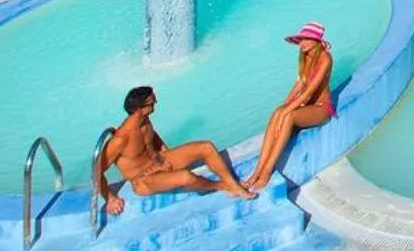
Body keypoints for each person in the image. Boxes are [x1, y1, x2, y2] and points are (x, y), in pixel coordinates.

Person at [95, 86, 253, 212]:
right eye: (152, 102)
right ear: (139, 109)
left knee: (206, 147)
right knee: (186, 177)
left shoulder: (145, 121)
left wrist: (165, 157)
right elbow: (97, 171)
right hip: (144, 181)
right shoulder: (120, 139)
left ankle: (232, 183)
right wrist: (109, 197)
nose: (156, 103)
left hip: (159, 162)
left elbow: (153, 140)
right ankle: (221, 186)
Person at [244, 22, 334, 190]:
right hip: (307, 105)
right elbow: (300, 83)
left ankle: (266, 172)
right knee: (277, 112)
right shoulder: (305, 56)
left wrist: (287, 110)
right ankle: (257, 170)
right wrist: (284, 105)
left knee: (289, 115)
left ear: (317, 40)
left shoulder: (325, 58)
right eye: (301, 40)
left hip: (321, 108)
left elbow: (309, 92)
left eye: (307, 39)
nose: (302, 43)